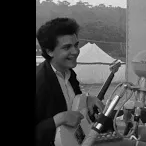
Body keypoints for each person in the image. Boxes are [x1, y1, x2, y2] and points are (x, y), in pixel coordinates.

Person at [35, 18, 106, 146]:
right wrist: (58, 120)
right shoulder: (39, 82)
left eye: (76, 45)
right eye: (67, 47)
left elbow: (74, 105)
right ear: (49, 51)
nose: (75, 51)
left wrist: (87, 99)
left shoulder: (70, 73)